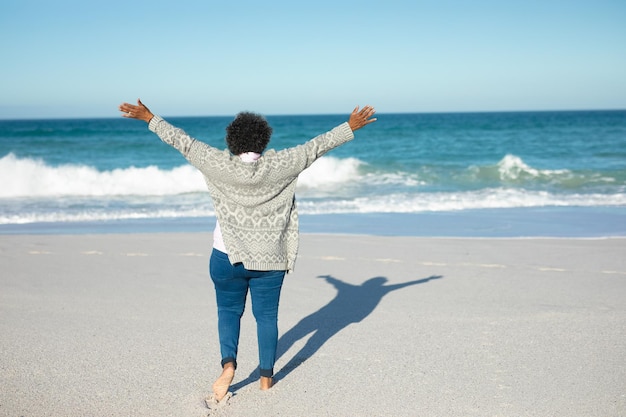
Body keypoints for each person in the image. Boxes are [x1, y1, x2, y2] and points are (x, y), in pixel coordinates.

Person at [118, 99, 376, 403]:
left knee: (228, 311)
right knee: (266, 317)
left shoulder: (218, 164)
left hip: (226, 256)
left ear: (231, 141)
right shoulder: (283, 164)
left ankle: (229, 366)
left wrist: (149, 117)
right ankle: (266, 379)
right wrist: (350, 127)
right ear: (264, 140)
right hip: (270, 259)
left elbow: (183, 142)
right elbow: (317, 146)